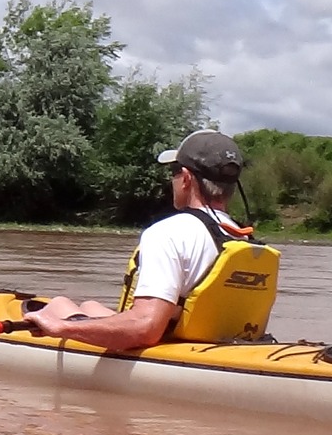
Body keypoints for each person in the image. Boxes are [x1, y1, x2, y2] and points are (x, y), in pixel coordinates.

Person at [22, 130, 254, 350]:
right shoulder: (244, 238)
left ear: (185, 178)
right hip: (209, 342)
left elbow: (146, 328)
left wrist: (61, 327)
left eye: (174, 170)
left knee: (58, 305)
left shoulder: (169, 232)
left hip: (162, 347)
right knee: (90, 306)